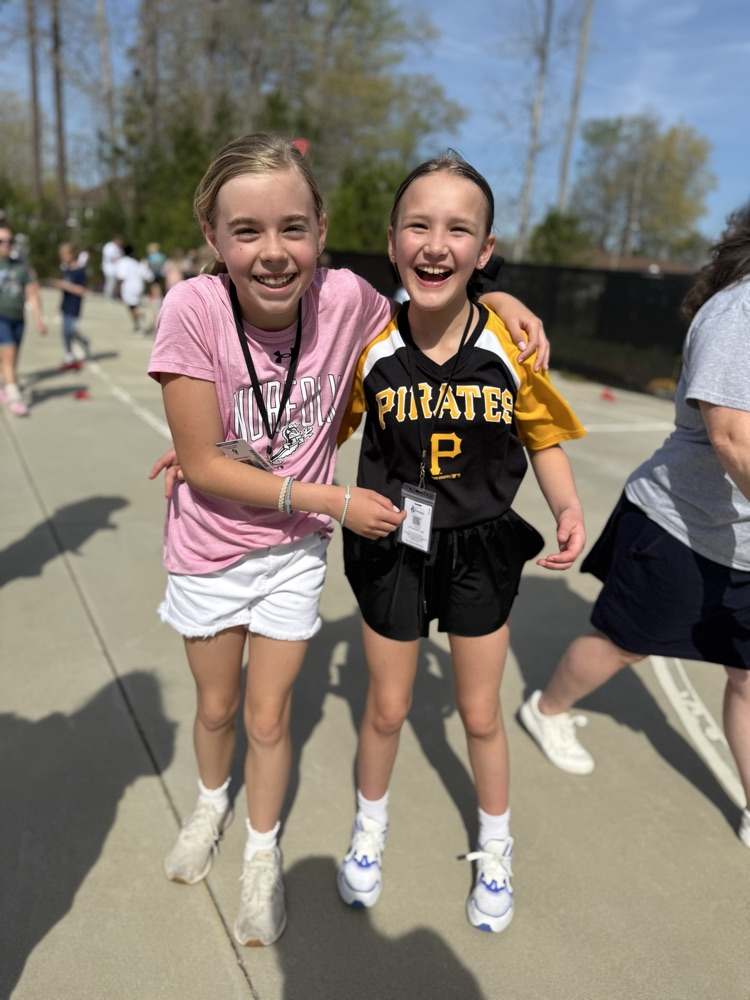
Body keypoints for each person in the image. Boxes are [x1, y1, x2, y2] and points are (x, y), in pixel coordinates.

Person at [146, 132, 551, 949]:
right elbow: (201, 464)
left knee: (269, 717)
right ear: (213, 235)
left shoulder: (349, 301)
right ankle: (209, 801)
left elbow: (435, 300)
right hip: (211, 542)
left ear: (322, 230)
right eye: (246, 231)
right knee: (217, 707)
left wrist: (500, 297)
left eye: (293, 228)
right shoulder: (192, 308)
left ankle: (262, 853)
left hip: (292, 549)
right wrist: (328, 496)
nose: (272, 251)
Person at [334, 151, 586, 934]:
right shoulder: (368, 343)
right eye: (419, 224)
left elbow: (540, 432)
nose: (436, 243)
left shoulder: (510, 344)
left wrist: (568, 503)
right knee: (387, 707)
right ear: (391, 240)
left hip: (480, 544)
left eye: (458, 228)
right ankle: (369, 833)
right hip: (392, 537)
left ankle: (496, 845)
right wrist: (230, 452)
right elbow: (312, 429)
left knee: (480, 714)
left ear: (484, 249)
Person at [517, 203, 750, 849]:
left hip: (746, 546)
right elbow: (733, 439)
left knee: (748, 677)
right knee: (624, 643)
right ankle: (546, 709)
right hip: (682, 526)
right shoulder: (740, 312)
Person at [0, 223, 47, 416]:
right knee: (9, 355)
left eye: (9, 241)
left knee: (12, 357)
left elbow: (32, 293)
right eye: (1, 241)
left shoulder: (21, 266)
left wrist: (38, 319)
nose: (6, 244)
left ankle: (3, 384)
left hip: (18, 317)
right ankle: (15, 397)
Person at [55, 242, 90, 369]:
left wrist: (66, 286)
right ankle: (69, 353)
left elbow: (82, 290)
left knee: (70, 330)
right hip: (65, 304)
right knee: (64, 332)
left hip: (74, 306)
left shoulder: (79, 271)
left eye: (64, 254)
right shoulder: (66, 269)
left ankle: (84, 342)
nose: (62, 257)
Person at [115, 245, 152, 334]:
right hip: (139, 286)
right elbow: (148, 276)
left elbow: (121, 276)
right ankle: (137, 325)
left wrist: (117, 288)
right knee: (134, 306)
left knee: (132, 308)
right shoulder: (137, 261)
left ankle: (144, 315)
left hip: (128, 287)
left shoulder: (123, 262)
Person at [101, 234, 123, 299]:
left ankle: (112, 296)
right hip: (109, 269)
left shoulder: (119, 248)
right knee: (110, 283)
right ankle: (108, 296)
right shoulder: (109, 246)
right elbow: (110, 258)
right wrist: (119, 258)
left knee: (114, 284)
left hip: (116, 270)